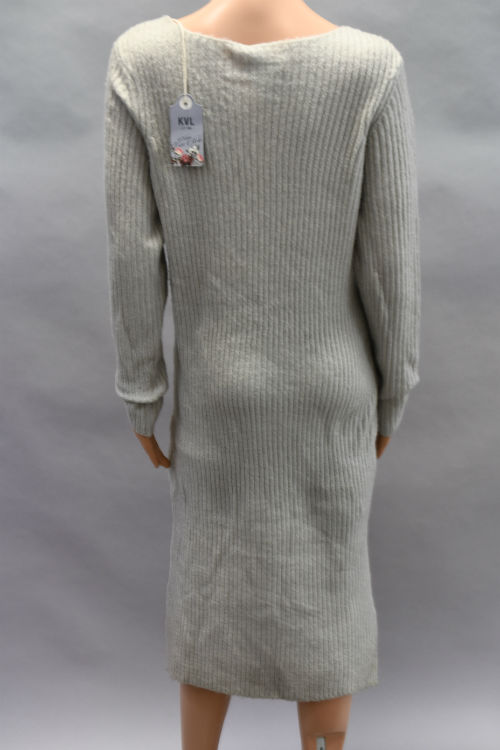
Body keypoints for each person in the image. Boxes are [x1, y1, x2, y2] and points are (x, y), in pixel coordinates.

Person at [103, 1, 421, 748]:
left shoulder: (142, 60)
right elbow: (390, 262)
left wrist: (143, 394)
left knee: (208, 590)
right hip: (334, 392)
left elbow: (132, 253)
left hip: (216, 393)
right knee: (330, 593)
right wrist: (394, 390)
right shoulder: (369, 67)